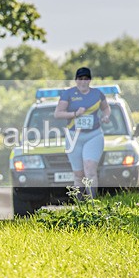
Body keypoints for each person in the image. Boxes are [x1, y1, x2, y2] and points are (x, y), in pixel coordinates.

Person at [54, 66, 111, 199]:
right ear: (76, 80)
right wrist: (75, 114)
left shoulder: (97, 94)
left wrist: (106, 116)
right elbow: (57, 114)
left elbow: (106, 108)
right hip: (74, 137)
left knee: (90, 169)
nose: (83, 82)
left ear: (90, 80)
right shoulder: (68, 94)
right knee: (79, 174)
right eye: (80, 79)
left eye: (86, 79)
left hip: (94, 135)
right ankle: (79, 205)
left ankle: (92, 203)